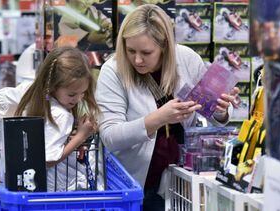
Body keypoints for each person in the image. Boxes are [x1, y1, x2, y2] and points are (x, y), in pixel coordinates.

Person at [95, 4, 239, 210]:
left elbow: (215, 113)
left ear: (164, 47)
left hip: (180, 181)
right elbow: (110, 136)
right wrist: (158, 118)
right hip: (136, 184)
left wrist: (221, 110)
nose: (137, 59)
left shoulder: (187, 59)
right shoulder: (113, 71)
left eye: (146, 52)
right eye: (130, 51)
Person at [0, 47, 101, 192]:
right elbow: (49, 160)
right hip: (55, 187)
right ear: (52, 86)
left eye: (82, 93)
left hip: (25, 179)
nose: (78, 99)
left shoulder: (30, 91)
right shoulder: (61, 115)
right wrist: (81, 136)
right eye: (72, 94)